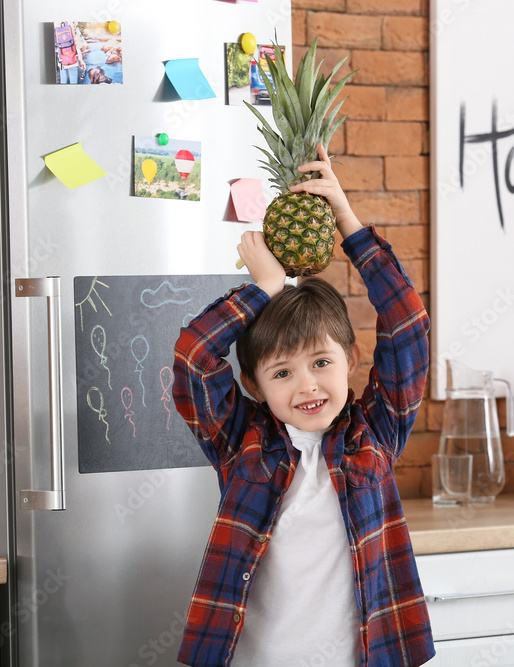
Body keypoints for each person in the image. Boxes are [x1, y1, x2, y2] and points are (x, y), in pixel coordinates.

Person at [172, 144, 435, 666]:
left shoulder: (375, 435)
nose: (307, 386)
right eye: (282, 373)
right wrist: (265, 288)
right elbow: (194, 357)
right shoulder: (238, 441)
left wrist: (346, 219)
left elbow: (407, 324)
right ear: (253, 383)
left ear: (352, 360)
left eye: (321, 363)